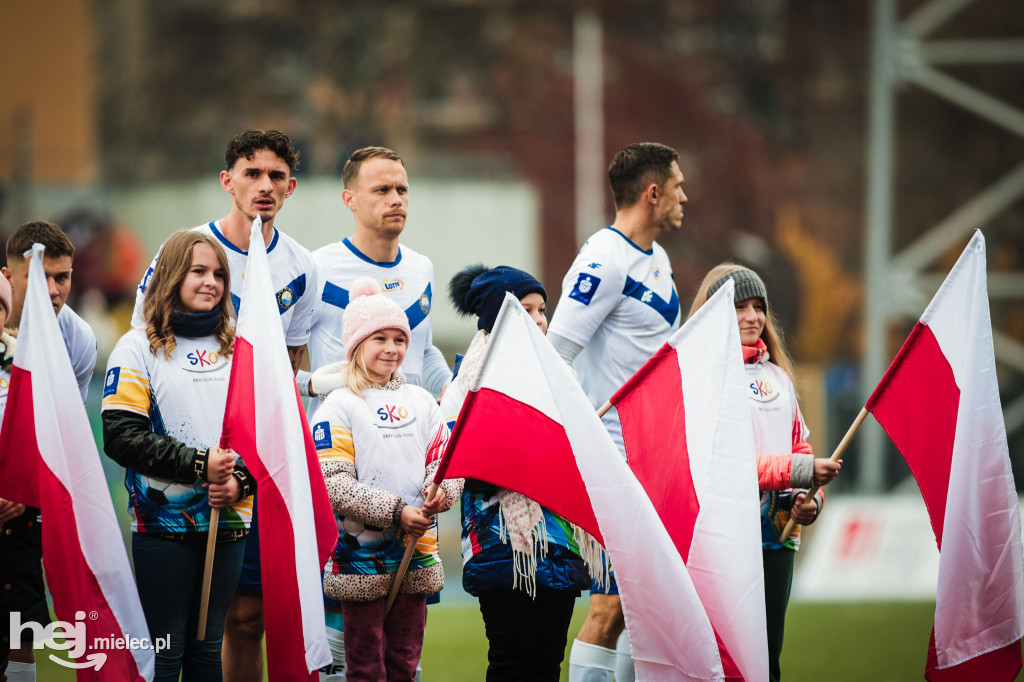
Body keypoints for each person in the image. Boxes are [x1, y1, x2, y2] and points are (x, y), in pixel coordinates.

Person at [130, 129, 317, 682]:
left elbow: (283, 373)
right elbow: (148, 347)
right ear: (227, 180)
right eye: (252, 173)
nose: (264, 186)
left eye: (276, 176)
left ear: (291, 187)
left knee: (245, 616)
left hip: (251, 468)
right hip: (178, 468)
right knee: (175, 629)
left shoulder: (302, 267)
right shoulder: (183, 250)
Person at [298, 145, 451, 680]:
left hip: (404, 469)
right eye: (381, 190)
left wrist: (449, 398)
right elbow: (283, 356)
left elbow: (425, 353)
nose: (395, 199)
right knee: (346, 646)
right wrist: (312, 384)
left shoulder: (422, 268)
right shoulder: (314, 266)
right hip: (337, 469)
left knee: (400, 649)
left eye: (402, 189)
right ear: (349, 198)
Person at [547, 142, 687, 682]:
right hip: (617, 462)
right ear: (653, 193)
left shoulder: (656, 258)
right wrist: (593, 444)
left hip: (654, 459)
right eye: (677, 186)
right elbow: (554, 355)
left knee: (638, 609)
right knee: (609, 608)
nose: (684, 196)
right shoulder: (604, 261)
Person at [101, 230, 254, 681]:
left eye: (218, 275)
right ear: (170, 276)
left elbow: (262, 438)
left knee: (208, 654)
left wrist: (238, 482)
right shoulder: (136, 347)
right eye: (198, 271)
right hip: (160, 525)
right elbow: (122, 436)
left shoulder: (237, 348)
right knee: (165, 655)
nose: (211, 282)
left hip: (229, 524)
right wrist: (199, 464)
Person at [443, 264, 598, 681]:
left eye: (542, 310)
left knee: (547, 663)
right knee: (511, 662)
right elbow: (452, 457)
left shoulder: (563, 376)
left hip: (560, 542)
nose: (539, 320)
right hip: (501, 542)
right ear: (498, 318)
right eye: (524, 310)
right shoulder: (469, 385)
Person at [689, 264, 840, 682]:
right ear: (717, 313)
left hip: (777, 538)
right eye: (740, 307)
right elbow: (721, 465)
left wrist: (812, 501)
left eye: (758, 307)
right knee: (722, 662)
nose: (753, 317)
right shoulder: (702, 379)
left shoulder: (780, 377)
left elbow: (799, 448)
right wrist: (801, 469)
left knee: (767, 662)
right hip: (721, 538)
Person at [309, 277, 462, 682]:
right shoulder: (337, 406)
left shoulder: (422, 401)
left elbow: (447, 463)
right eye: (380, 338)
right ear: (356, 346)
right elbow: (333, 483)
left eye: (399, 339)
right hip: (361, 561)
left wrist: (440, 493)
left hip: (417, 554)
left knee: (404, 664)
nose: (392, 348)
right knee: (366, 667)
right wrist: (397, 512)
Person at [0, 221, 98, 682]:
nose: (54, 290)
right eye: (41, 278)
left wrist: (27, 489)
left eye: (63, 278)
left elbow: (63, 433)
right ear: (9, 275)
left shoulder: (76, 339)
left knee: (23, 627)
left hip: (25, 505)